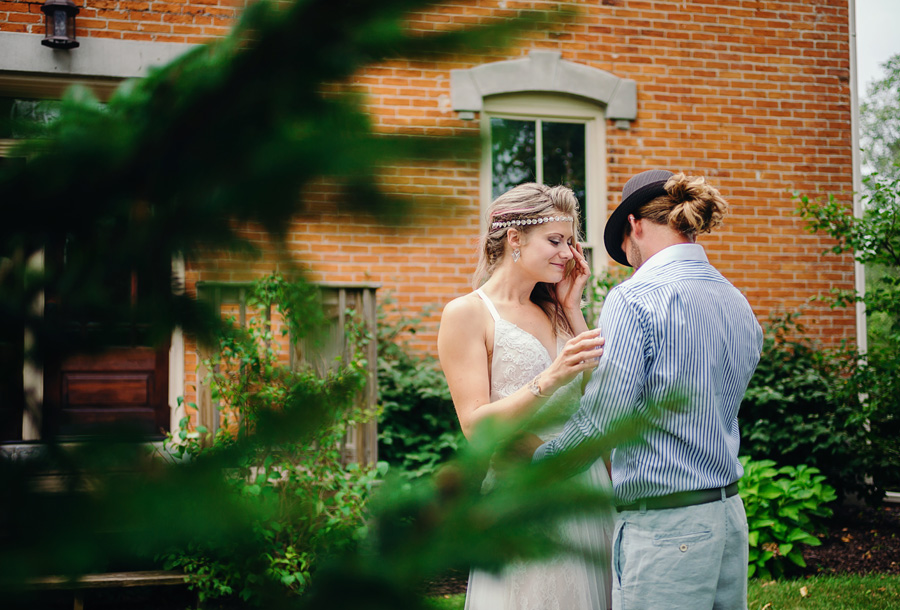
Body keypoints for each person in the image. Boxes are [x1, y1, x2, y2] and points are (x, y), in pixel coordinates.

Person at [532, 169, 764, 610]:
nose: (629, 259)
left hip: (665, 529)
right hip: (729, 519)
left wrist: (534, 464)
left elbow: (603, 422)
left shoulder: (634, 298)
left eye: (624, 248)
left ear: (634, 224)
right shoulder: (737, 300)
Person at [438, 182, 614, 610]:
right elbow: (476, 428)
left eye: (571, 242)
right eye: (555, 240)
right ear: (514, 239)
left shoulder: (555, 308)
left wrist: (572, 308)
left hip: (588, 485)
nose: (569, 254)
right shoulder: (468, 313)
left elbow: (600, 399)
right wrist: (549, 377)